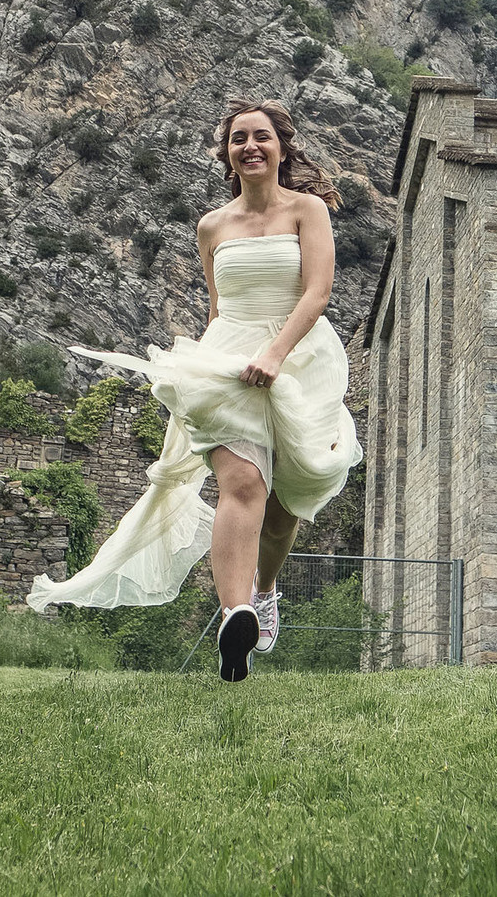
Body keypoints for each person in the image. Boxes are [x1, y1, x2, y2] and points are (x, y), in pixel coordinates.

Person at [26, 97, 363, 682]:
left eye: (261, 137)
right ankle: (235, 619)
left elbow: (317, 292)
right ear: (227, 155)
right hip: (229, 360)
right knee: (242, 484)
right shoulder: (212, 226)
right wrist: (206, 372)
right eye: (238, 139)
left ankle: (264, 590)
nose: (250, 147)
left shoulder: (307, 210)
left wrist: (275, 355)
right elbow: (217, 307)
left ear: (281, 148)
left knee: (285, 506)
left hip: (300, 357)